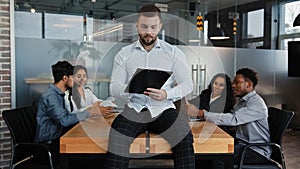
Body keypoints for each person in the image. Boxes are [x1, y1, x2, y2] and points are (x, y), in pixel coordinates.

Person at [106, 4, 195, 169]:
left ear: (160, 26)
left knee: (184, 136)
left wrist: (166, 94)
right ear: (137, 26)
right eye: (144, 26)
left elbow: (188, 84)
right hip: (135, 109)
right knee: (117, 136)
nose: (149, 31)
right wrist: (131, 89)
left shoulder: (173, 53)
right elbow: (114, 88)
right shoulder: (124, 54)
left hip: (164, 109)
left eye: (154, 27)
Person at [186, 68, 272, 168]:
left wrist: (202, 113)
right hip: (243, 145)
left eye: (237, 82)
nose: (233, 85)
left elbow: (233, 119)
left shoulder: (256, 103)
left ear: (248, 84)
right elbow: (230, 115)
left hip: (256, 150)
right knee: (206, 152)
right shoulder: (242, 101)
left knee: (217, 156)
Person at [34, 61, 102, 162]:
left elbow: (68, 116)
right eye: (73, 77)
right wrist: (89, 113)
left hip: (58, 136)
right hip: (49, 142)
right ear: (65, 78)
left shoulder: (59, 94)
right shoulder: (51, 96)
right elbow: (64, 120)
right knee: (91, 152)